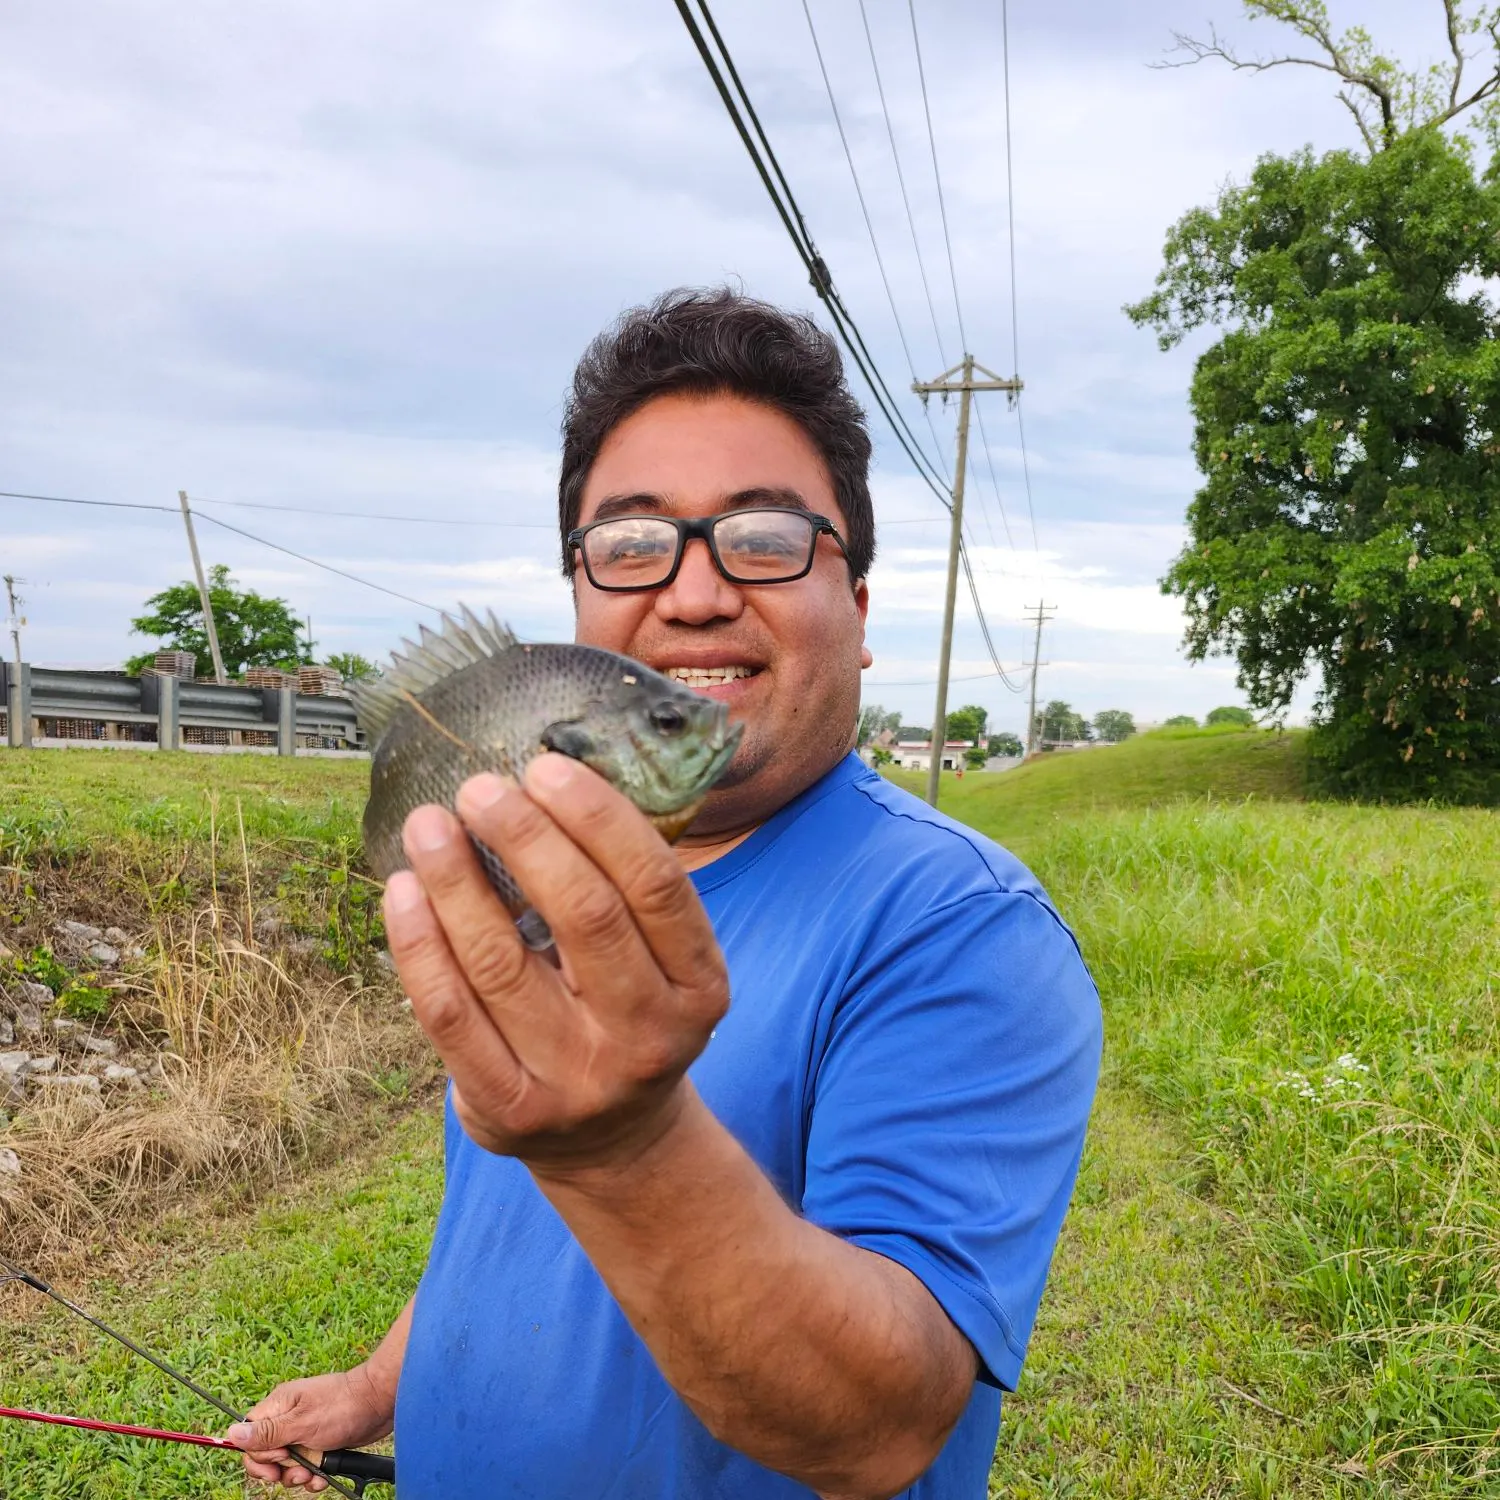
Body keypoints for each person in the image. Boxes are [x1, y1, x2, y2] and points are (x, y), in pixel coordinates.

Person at [229, 288, 1101, 1499]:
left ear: (856, 611)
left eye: (765, 535)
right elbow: (513, 1222)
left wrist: (627, 1147)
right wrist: (379, 1385)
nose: (692, 594)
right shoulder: (537, 883)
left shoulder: (958, 928)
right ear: (580, 606)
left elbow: (879, 1427)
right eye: (633, 543)